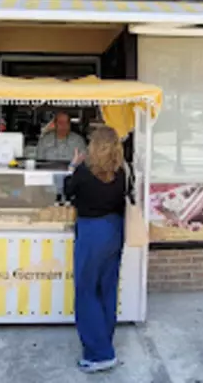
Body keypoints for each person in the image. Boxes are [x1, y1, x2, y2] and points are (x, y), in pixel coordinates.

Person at [63, 126, 128, 374]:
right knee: (107, 289)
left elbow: (67, 190)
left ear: (93, 146)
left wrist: (72, 166)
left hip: (91, 232)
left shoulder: (83, 172)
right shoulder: (121, 172)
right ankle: (104, 343)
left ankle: (99, 354)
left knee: (86, 290)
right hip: (114, 230)